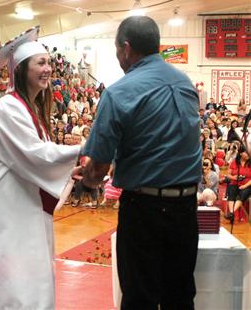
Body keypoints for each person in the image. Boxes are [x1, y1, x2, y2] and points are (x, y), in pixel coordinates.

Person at [81, 16, 201, 310]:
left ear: (125, 48)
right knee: (180, 297)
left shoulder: (118, 92)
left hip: (144, 210)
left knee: (139, 299)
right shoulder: (185, 83)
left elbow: (97, 170)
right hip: (186, 208)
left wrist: (85, 180)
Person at [0, 27, 81, 309]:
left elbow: (35, 160)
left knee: (35, 287)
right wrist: (83, 149)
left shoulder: (29, 109)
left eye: (49, 63)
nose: (48, 69)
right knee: (17, 291)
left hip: (28, 215)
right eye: (41, 63)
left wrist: (70, 171)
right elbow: (35, 156)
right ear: (21, 70)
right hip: (9, 217)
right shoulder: (7, 108)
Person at [224, 144, 251, 224]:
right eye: (246, 153)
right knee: (231, 189)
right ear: (241, 153)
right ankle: (232, 213)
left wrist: (245, 186)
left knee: (243, 193)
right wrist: (234, 178)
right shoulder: (234, 162)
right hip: (235, 183)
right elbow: (228, 174)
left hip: (247, 185)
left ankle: (231, 213)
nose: (248, 154)